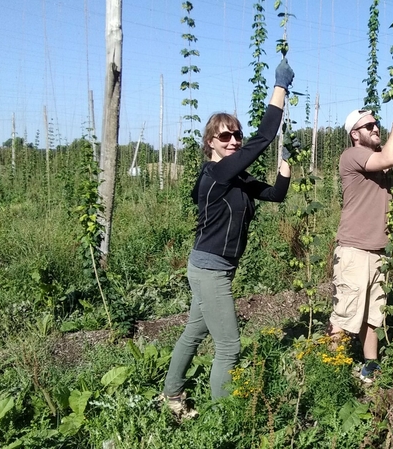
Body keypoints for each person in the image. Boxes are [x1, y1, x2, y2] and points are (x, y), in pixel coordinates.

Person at [161, 58, 295, 419]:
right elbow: (264, 136)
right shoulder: (218, 175)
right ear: (210, 144)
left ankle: (171, 394)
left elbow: (274, 195)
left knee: (194, 333)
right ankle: (226, 421)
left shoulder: (235, 179)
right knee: (230, 348)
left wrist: (285, 166)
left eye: (237, 134)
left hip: (212, 268)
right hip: (210, 271)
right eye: (226, 136)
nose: (235, 140)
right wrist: (279, 87)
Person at [328, 76, 393, 384]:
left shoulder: (374, 157)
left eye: (378, 125)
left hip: (376, 250)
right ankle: (331, 373)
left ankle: (370, 367)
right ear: (354, 135)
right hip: (353, 250)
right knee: (345, 314)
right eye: (369, 126)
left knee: (373, 314)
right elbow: (391, 155)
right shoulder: (352, 156)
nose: (376, 129)